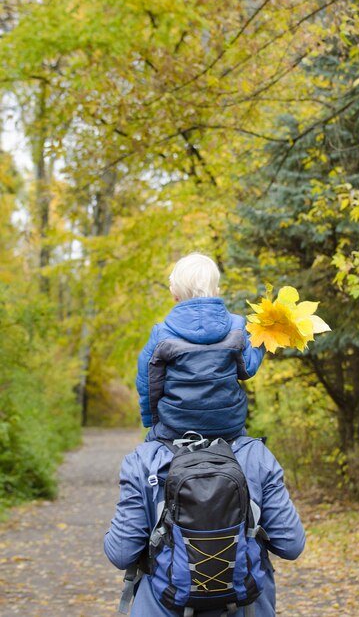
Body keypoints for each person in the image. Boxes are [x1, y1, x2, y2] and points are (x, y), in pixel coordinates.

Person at [104, 434, 306, 617]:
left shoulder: (145, 459)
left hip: (160, 606)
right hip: (247, 608)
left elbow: (121, 553)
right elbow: (291, 545)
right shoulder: (255, 454)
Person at [136, 253, 265, 442]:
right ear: (217, 290)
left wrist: (151, 420)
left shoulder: (162, 335)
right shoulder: (236, 327)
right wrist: (264, 340)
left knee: (145, 458)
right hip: (229, 428)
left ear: (174, 294)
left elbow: (148, 382)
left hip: (176, 428)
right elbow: (246, 369)